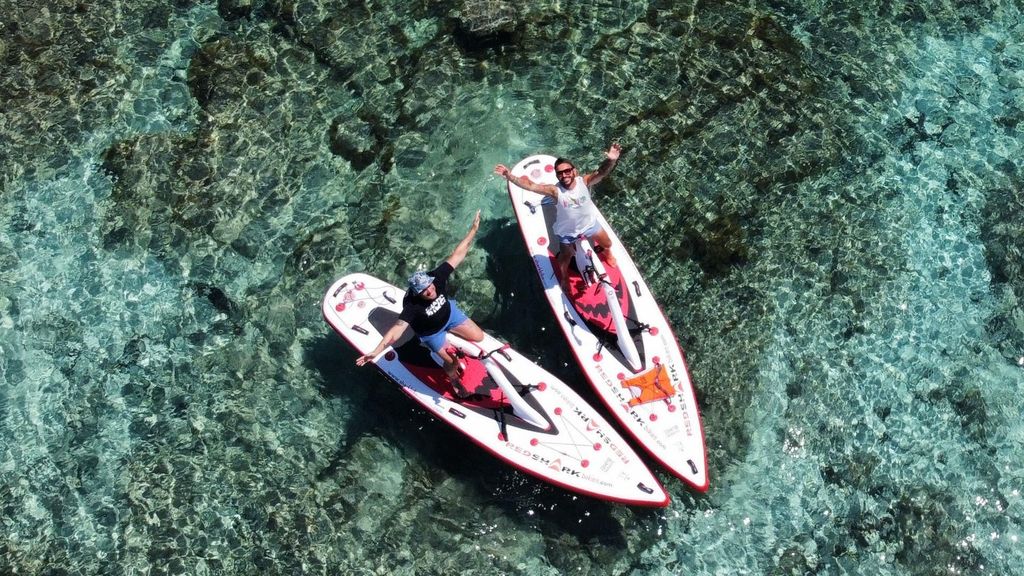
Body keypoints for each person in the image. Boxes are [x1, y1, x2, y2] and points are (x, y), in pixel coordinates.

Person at [356, 211, 485, 396]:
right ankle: (453, 379)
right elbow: (395, 332)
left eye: (430, 287)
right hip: (432, 333)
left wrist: (473, 229)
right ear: (417, 293)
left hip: (450, 315)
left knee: (479, 337)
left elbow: (458, 254)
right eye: (424, 291)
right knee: (452, 364)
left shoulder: (437, 278)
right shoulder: (413, 306)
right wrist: (376, 351)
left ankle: (453, 339)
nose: (430, 291)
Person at [494, 142, 621, 291]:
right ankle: (565, 277)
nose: (564, 175)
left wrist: (611, 160)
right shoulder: (555, 191)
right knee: (564, 259)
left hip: (589, 225)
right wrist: (510, 176)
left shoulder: (585, 181)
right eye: (560, 173)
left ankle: (607, 253)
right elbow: (530, 185)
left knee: (607, 243)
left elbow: (601, 172)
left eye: (567, 171)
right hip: (567, 233)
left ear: (574, 171)